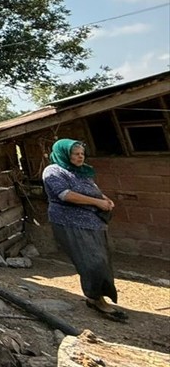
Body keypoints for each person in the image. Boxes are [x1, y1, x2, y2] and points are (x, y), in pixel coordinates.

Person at [41, 138, 127, 321]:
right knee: (92, 263)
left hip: (93, 222)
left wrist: (105, 199)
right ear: (64, 153)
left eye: (82, 154)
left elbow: (92, 189)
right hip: (70, 222)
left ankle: (95, 297)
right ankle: (97, 300)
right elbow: (65, 195)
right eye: (76, 154)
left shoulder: (81, 171)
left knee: (102, 260)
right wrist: (98, 202)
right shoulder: (53, 171)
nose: (80, 157)